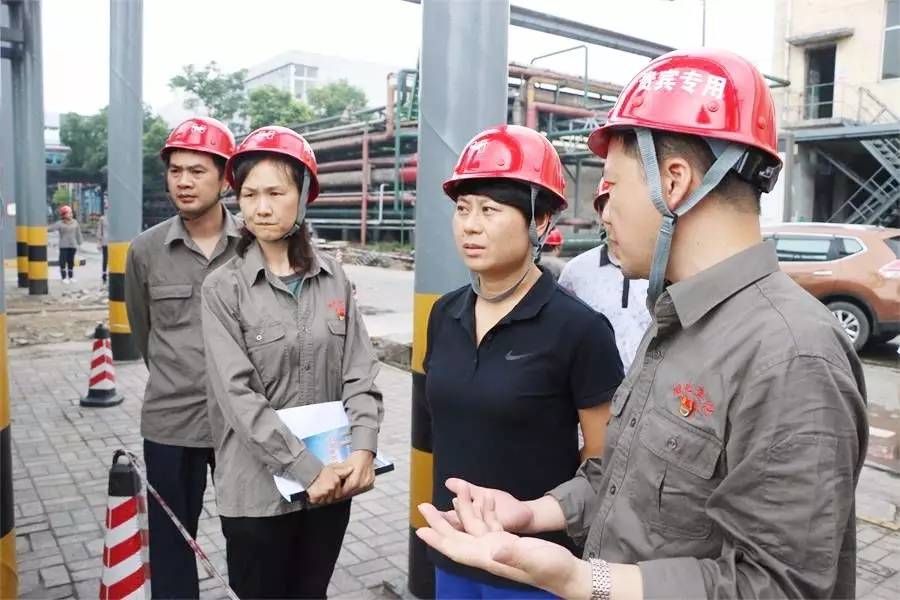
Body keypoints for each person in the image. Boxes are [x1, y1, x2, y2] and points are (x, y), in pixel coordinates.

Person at [415, 48, 868, 600]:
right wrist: (533, 512)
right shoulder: (675, 324)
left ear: (672, 182)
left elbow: (780, 586)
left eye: (614, 186)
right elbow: (617, 477)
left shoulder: (792, 354)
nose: (602, 211)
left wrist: (583, 579)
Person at [424, 124, 624, 598]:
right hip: (452, 549)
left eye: (490, 210)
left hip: (533, 565)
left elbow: (604, 460)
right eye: (462, 209)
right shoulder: (443, 313)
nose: (469, 225)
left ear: (540, 222)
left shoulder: (579, 329)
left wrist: (537, 510)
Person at [201, 125, 384, 599]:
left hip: (332, 485)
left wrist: (363, 447)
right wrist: (306, 469)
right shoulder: (223, 289)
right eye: (248, 194)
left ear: (302, 197)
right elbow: (237, 396)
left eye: (276, 193)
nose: (260, 207)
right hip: (257, 495)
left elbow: (360, 371)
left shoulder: (333, 277)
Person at [124, 116, 240, 599]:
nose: (184, 182)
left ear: (225, 178)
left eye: (197, 170)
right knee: (173, 544)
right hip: (172, 426)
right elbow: (143, 331)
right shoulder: (145, 251)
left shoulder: (256, 245)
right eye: (176, 170)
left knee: (251, 538)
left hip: (244, 426)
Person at [559, 180, 651, 370]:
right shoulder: (576, 271)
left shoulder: (660, 270)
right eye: (606, 209)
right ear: (601, 214)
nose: (612, 219)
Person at [49, 205, 83, 284]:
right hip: (63, 245)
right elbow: (51, 228)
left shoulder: (75, 222)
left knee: (71, 261)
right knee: (62, 261)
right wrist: (40, 229)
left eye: (71, 213)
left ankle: (71, 277)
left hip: (73, 245)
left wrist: (80, 243)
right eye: (69, 213)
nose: (71, 214)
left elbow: (78, 233)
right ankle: (64, 277)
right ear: (64, 215)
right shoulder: (59, 223)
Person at [97, 201, 108, 285]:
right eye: (106, 207)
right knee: (105, 259)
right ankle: (104, 274)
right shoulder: (102, 219)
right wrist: (99, 243)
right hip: (105, 242)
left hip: (115, 244)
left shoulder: (116, 218)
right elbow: (99, 231)